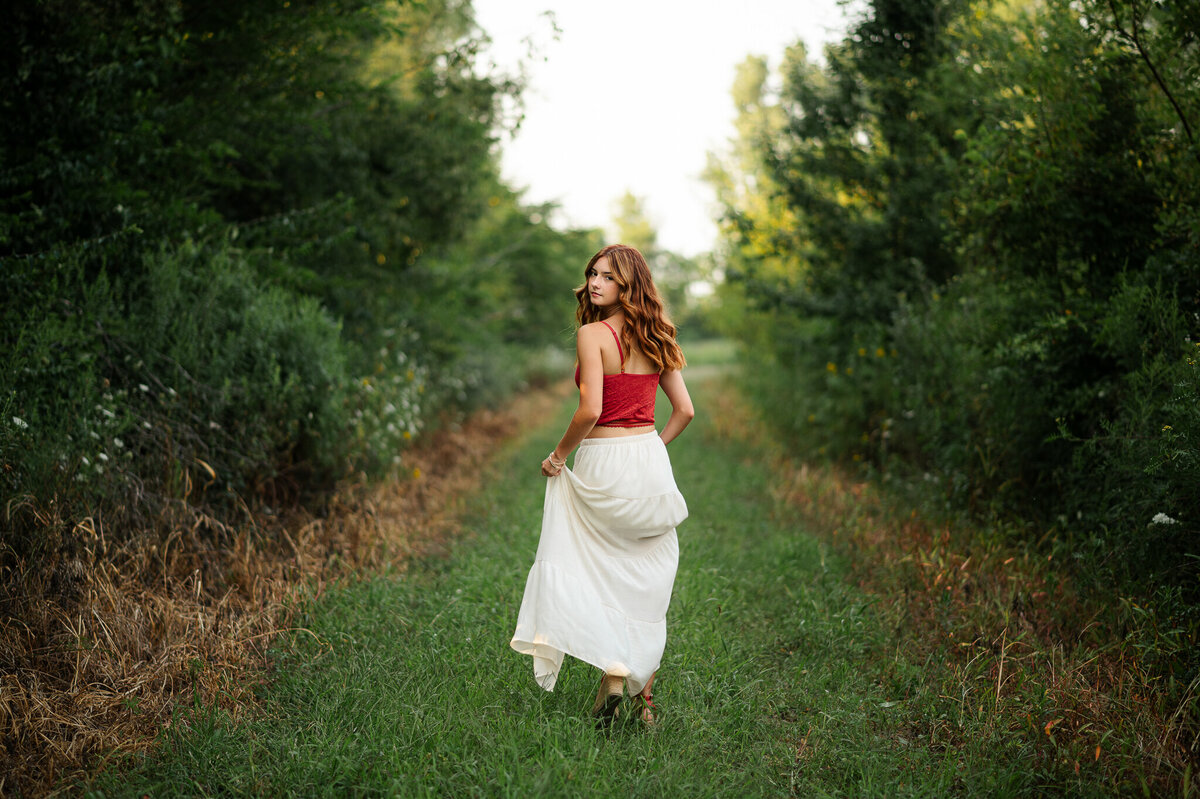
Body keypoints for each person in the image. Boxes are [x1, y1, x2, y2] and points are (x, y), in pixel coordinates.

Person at [509, 243, 694, 725]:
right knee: (647, 578)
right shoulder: (659, 335)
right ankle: (642, 698)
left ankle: (615, 667)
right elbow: (685, 411)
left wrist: (558, 456)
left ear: (628, 284)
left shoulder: (593, 333)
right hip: (648, 459)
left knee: (595, 570)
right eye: (593, 273)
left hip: (600, 460)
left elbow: (590, 410)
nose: (595, 283)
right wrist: (653, 450)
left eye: (608, 277)